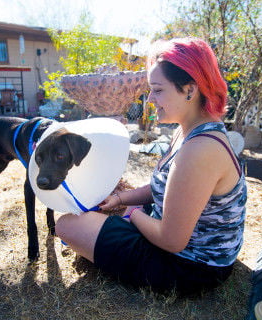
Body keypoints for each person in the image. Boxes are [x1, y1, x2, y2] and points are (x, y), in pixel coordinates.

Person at [55, 37, 247, 294]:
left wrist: (132, 213)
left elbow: (172, 240)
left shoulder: (200, 149)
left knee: (66, 225)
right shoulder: (190, 131)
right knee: (100, 214)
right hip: (190, 248)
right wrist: (122, 198)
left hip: (191, 267)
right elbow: (168, 188)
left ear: (189, 90)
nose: (150, 101)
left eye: (157, 90)